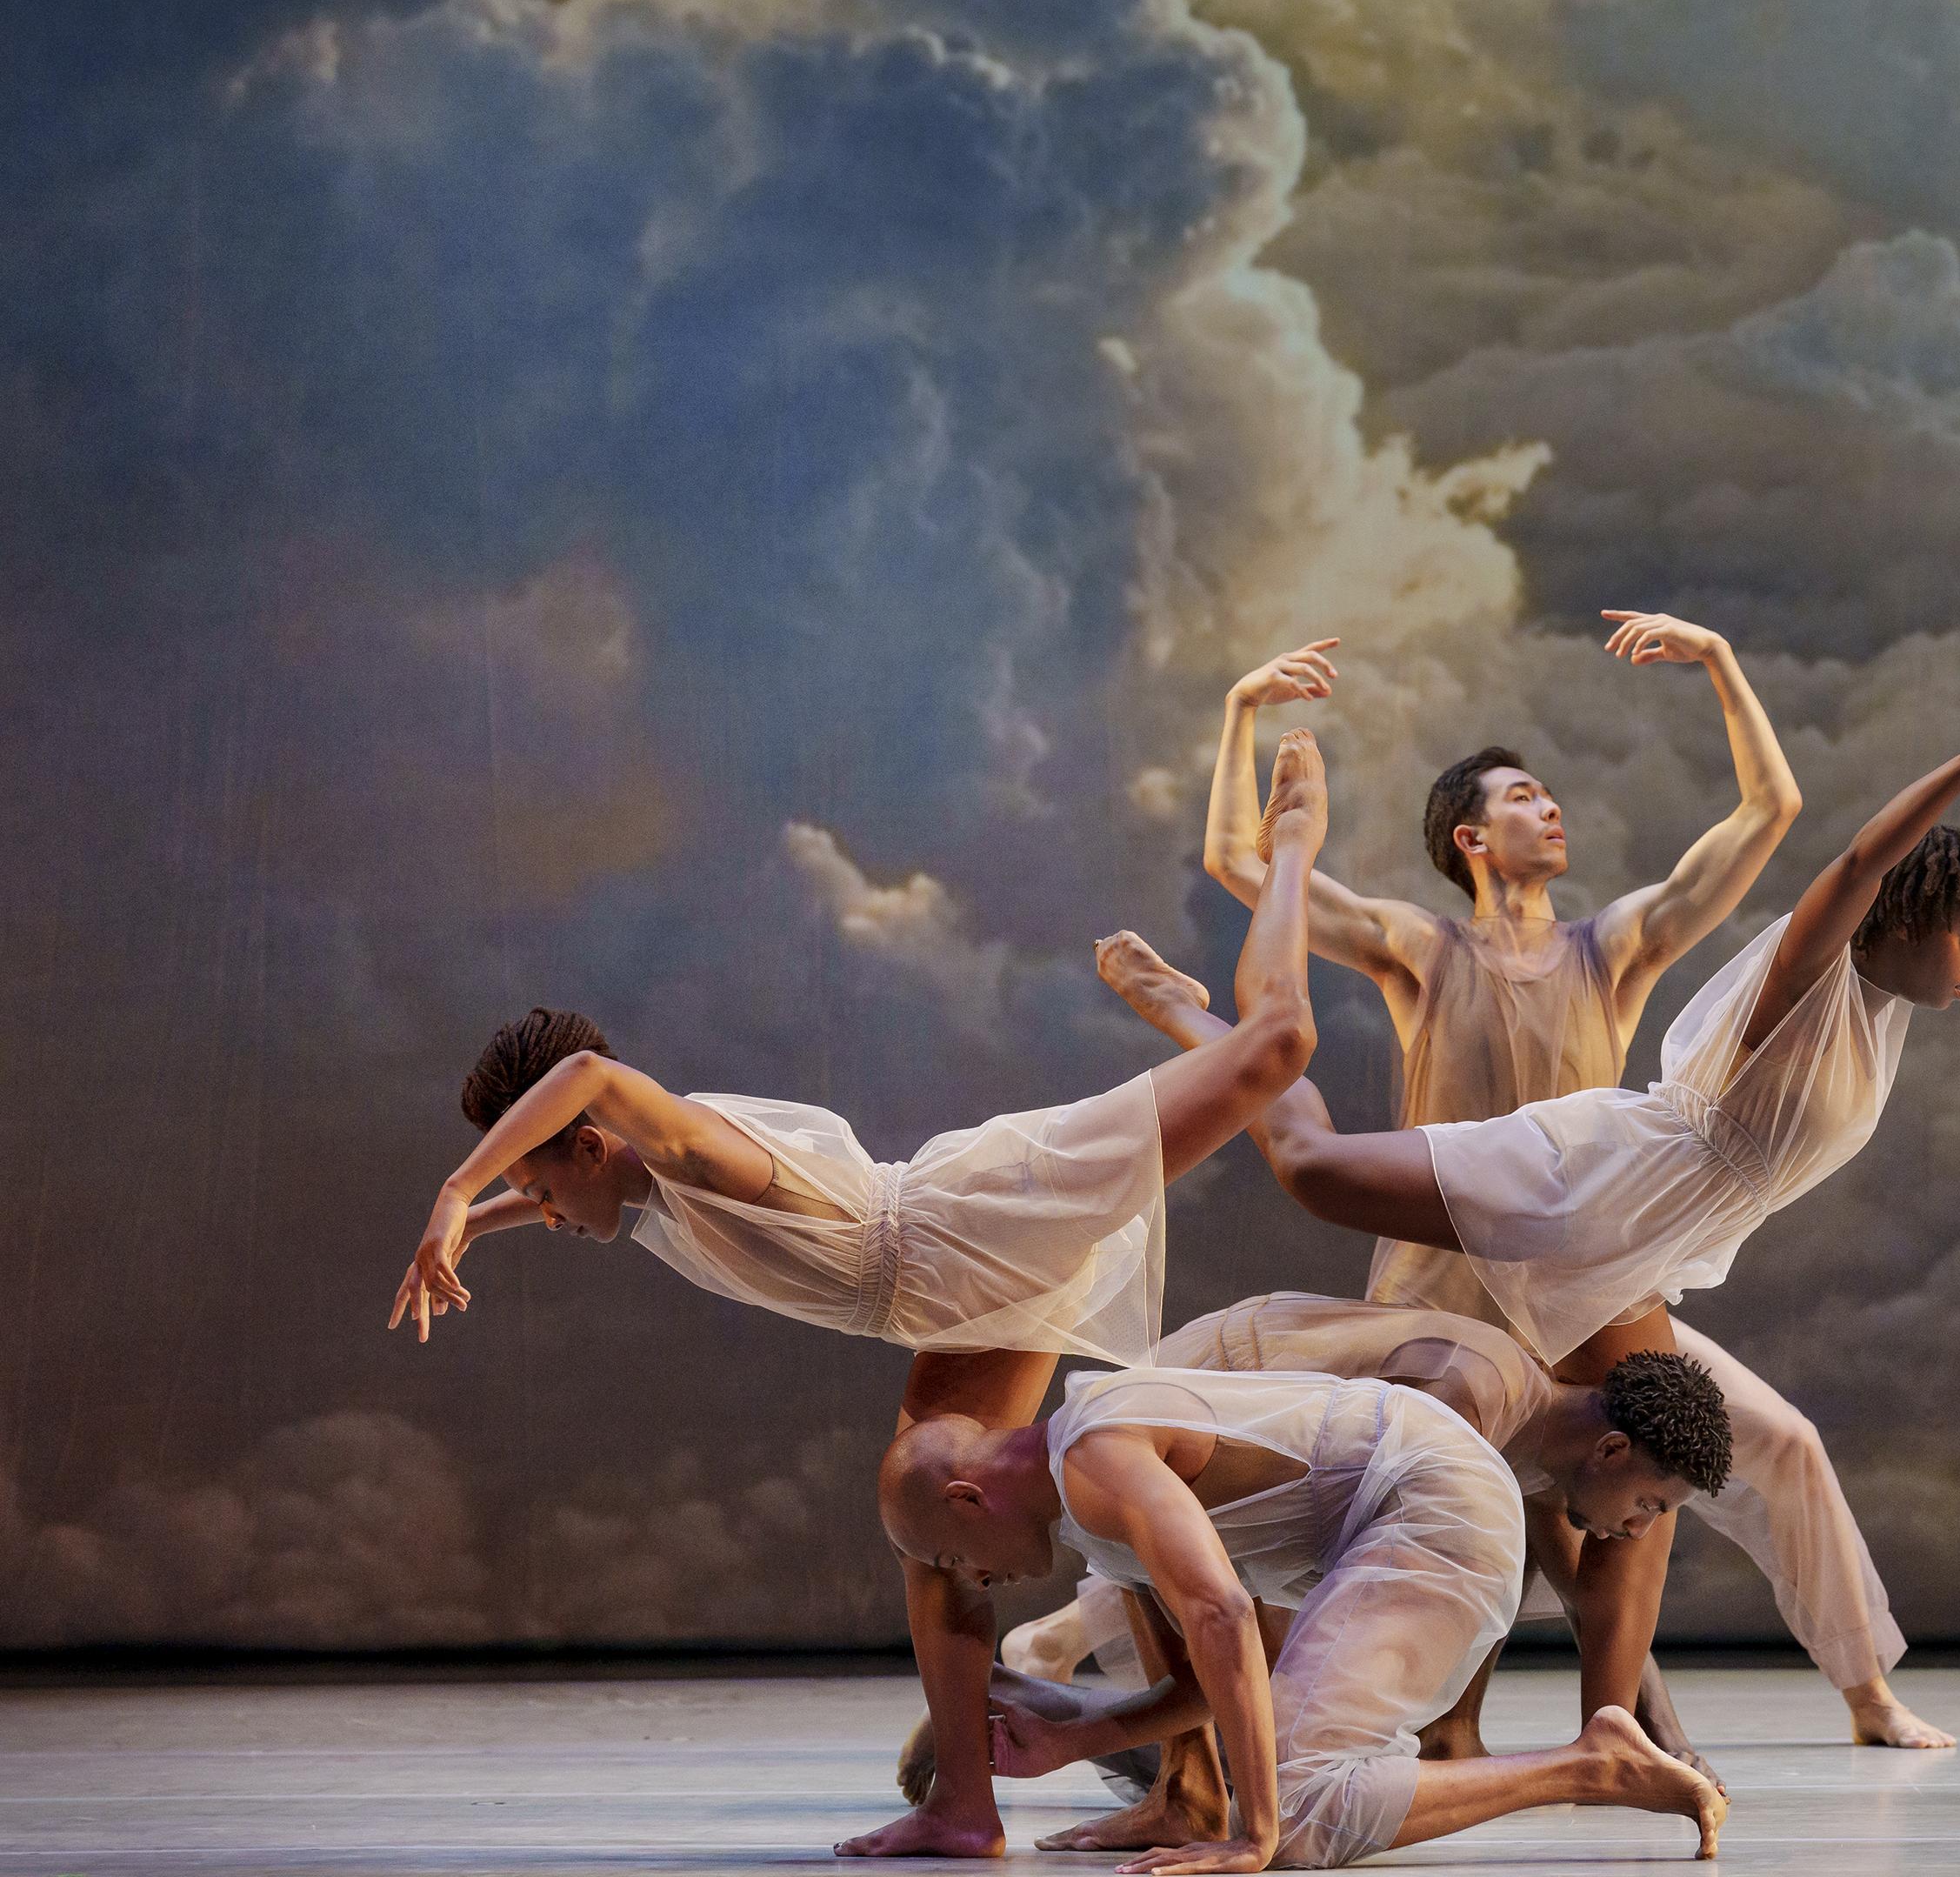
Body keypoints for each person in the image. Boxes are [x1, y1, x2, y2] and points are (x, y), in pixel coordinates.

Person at [1178, 708, 1960, 1747]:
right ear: (1906, 926)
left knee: (1654, 1464)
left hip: (1644, 1244)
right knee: (1313, 1171)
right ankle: (1204, 1026)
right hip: (1592, 1180)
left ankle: (1609, 1727)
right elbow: (1867, 859)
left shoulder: (1887, 998)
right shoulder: (1809, 976)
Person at [387, 734, 1337, 1860]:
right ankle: (968, 1807)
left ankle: (1288, 853)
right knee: (933, 1532)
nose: (548, 1211)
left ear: (590, 1147)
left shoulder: (696, 1156)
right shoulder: (635, 1190)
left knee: (1280, 1045)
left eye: (543, 1186)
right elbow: (575, 1169)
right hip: (945, 1301)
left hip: (975, 1218)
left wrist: (457, 1191)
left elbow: (593, 1080)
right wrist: (485, 1227)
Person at [1202, 620, 1940, 1748]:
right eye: (1524, 797)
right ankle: (1452, 1722)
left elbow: (1765, 818)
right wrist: (1243, 714)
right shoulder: (1421, 948)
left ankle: (1837, 1691)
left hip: (1591, 1278)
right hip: (1448, 1280)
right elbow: (1247, 869)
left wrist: (1725, 664)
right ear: (1472, 836)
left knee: (1750, 1449)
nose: (1551, 810)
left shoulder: (1615, 947)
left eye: (1549, 796)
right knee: (1443, 1491)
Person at [881, 1367, 1727, 1870]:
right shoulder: (1090, 1510)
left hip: (1433, 1496)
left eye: (956, 1559)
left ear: (969, 1497)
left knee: (1290, 1811)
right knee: (1285, 1789)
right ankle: (1590, 1761)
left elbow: (1221, 1617)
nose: (976, 1580)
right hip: (1413, 1499)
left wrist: (1253, 1832)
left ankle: (1590, 1765)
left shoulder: (1094, 1452)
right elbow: (1213, 1683)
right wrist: (1074, 1739)